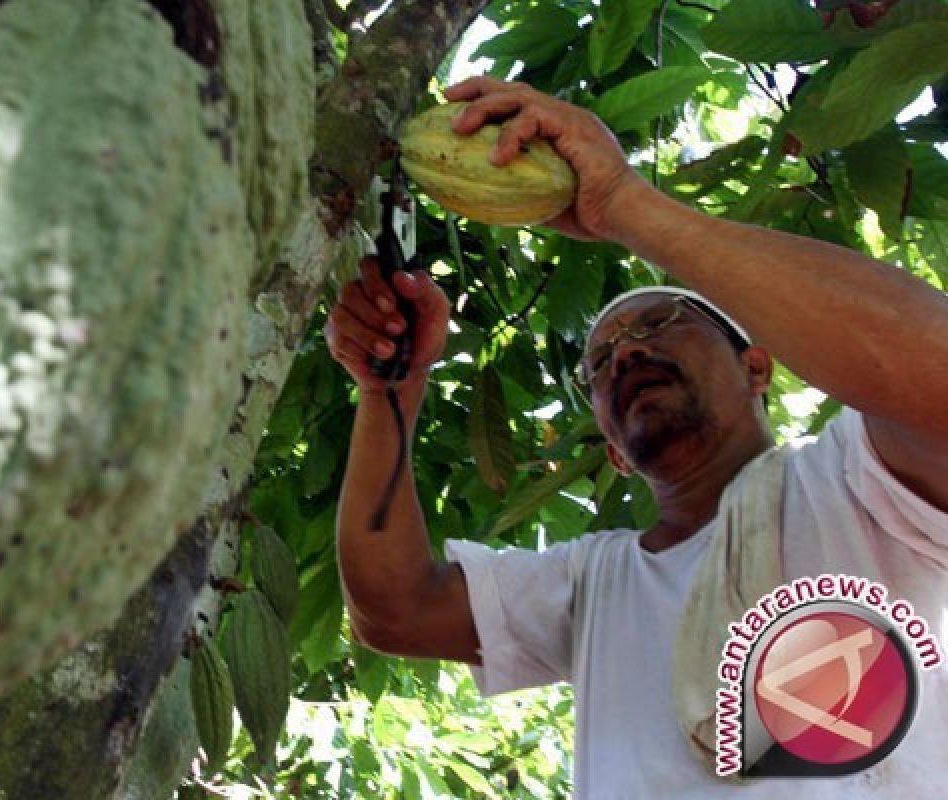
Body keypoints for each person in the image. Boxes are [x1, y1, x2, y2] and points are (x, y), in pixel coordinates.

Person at [325, 76, 948, 798]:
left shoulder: (855, 487)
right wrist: (391, 391)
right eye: (599, 361)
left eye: (659, 324)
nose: (624, 353)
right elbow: (393, 608)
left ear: (756, 366)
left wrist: (624, 205)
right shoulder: (596, 583)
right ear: (615, 452)